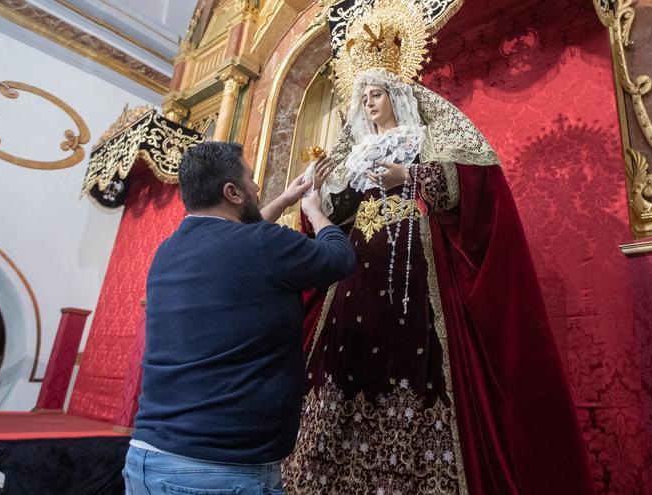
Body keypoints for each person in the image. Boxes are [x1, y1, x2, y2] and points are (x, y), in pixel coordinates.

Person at [282, 1, 593, 493]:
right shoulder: (355, 147)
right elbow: (331, 210)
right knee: (343, 356)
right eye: (362, 97)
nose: (368, 104)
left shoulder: (424, 133)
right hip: (355, 268)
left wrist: (410, 173)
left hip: (412, 258)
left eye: (377, 94)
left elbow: (472, 181)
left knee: (410, 355)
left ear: (397, 94)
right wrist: (318, 194)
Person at [123, 141, 355, 495]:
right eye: (251, 180)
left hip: (148, 460)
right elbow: (338, 258)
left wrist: (283, 201)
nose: (258, 188)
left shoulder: (168, 250)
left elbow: (239, 246)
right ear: (231, 192)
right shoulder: (263, 244)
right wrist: (315, 210)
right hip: (218, 471)